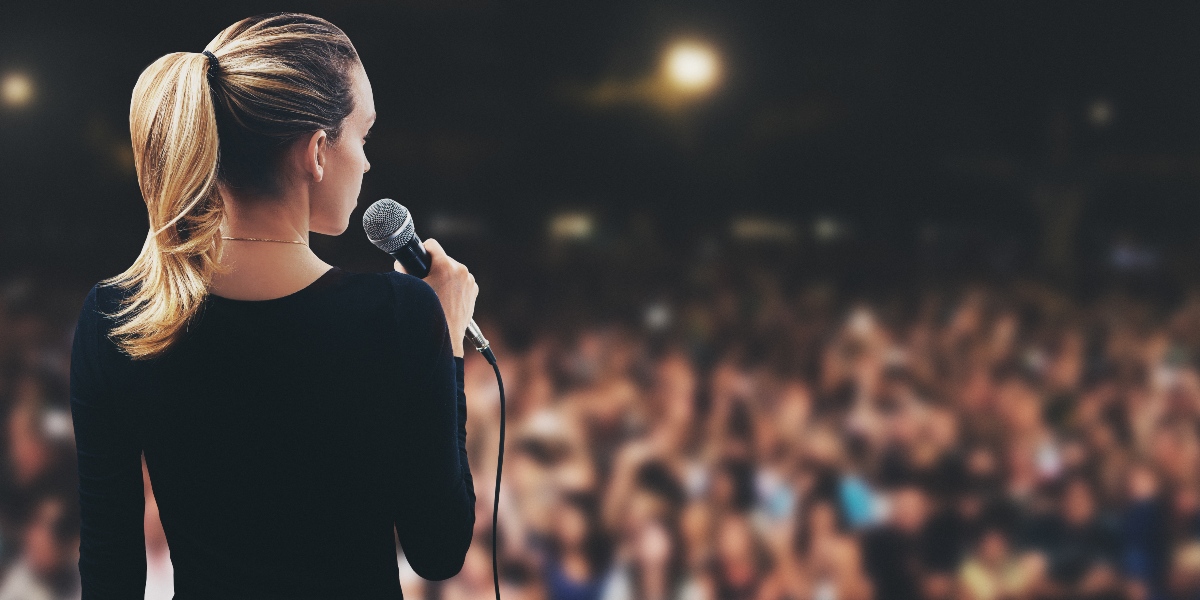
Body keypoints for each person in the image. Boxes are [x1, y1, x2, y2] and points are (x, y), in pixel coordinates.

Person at [68, 12, 479, 598]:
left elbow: (110, 571)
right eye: (362, 137)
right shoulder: (399, 312)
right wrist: (447, 339)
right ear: (316, 151)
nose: (366, 162)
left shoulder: (117, 317)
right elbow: (439, 551)